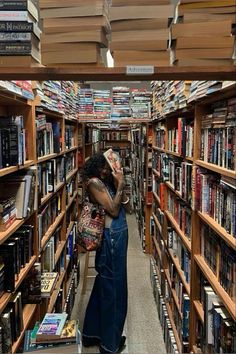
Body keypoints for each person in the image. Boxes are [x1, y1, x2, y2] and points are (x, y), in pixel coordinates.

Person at [80, 152, 131, 353]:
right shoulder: (94, 183)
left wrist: (121, 186)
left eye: (110, 167)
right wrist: (120, 184)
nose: (107, 171)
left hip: (116, 235)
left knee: (104, 285)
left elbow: (130, 208)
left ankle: (92, 333)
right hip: (111, 237)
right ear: (97, 167)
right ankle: (109, 344)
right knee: (115, 289)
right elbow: (113, 210)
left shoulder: (106, 180)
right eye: (106, 167)